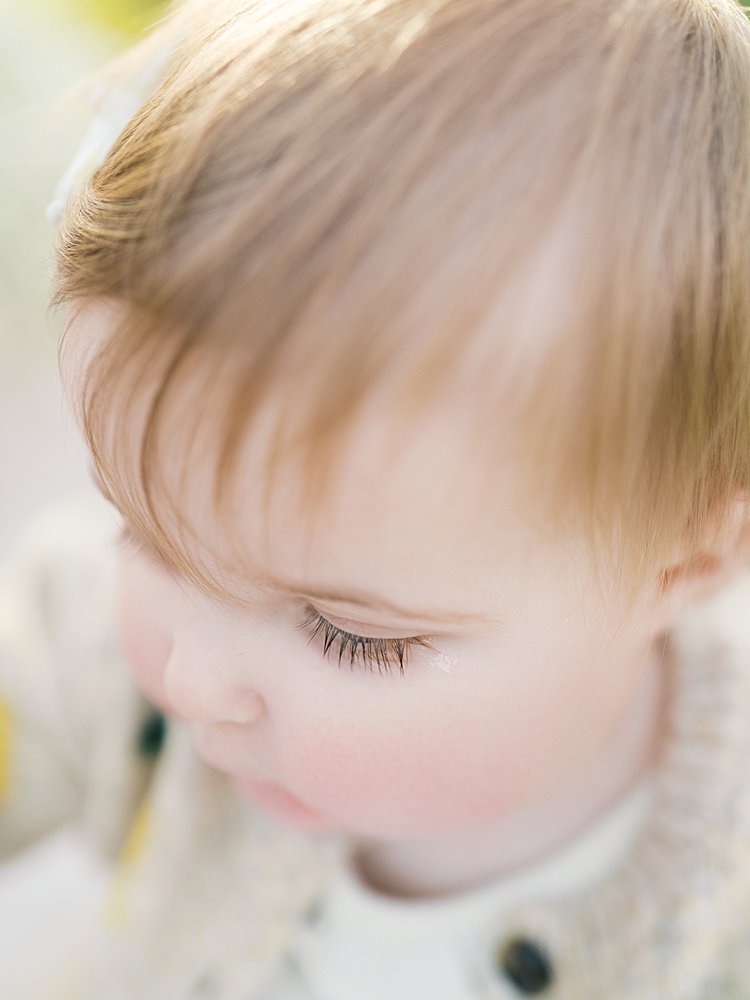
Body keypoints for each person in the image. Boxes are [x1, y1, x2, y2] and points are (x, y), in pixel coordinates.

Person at [3, 0, 750, 996]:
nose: (190, 682)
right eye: (148, 535)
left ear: (685, 561)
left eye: (345, 633)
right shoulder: (104, 651)